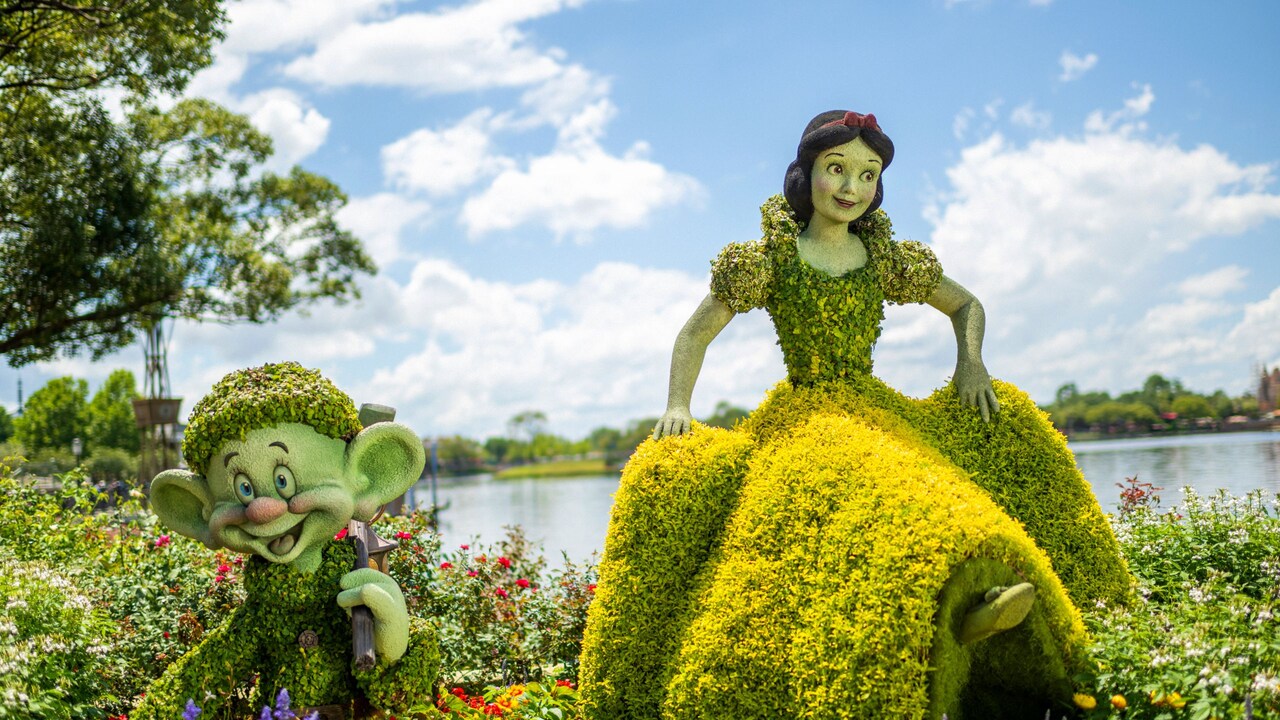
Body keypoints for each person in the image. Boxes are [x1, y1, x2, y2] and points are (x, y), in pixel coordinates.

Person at [578, 111, 1132, 719]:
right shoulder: (771, 258)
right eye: (836, 169)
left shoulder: (883, 257)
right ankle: (941, 612)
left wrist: (970, 365)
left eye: (867, 176)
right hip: (807, 413)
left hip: (874, 404)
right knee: (870, 486)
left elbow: (966, 304)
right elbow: (694, 334)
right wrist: (678, 405)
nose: (851, 188)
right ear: (806, 173)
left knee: (988, 432)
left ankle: (1002, 602)